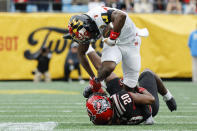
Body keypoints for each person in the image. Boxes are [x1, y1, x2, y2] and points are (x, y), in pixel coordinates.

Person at [84, 46, 177, 125]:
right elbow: (150, 99)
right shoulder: (121, 99)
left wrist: (95, 88)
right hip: (149, 108)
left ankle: (88, 48)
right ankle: (168, 97)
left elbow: (103, 108)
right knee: (147, 73)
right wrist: (136, 88)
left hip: (124, 111)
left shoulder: (104, 120)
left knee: (106, 77)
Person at [66, 6, 149, 94]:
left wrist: (112, 37)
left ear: (89, 25)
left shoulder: (99, 15)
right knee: (107, 68)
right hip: (114, 42)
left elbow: (122, 16)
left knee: (129, 88)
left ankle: (165, 94)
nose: (91, 37)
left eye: (90, 34)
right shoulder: (83, 28)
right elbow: (81, 53)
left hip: (131, 42)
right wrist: (93, 77)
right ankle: (97, 82)